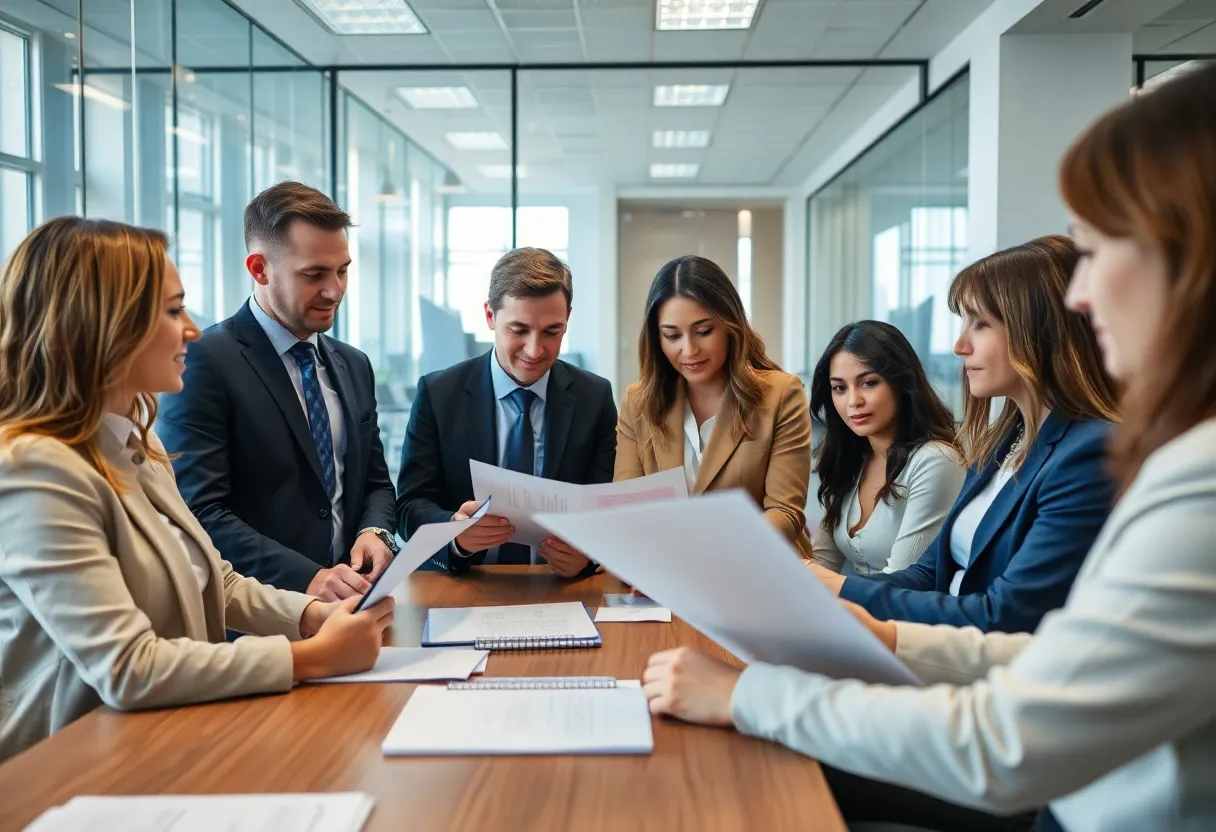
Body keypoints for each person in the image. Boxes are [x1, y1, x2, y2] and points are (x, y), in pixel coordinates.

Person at [643, 63, 1216, 832]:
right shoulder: (1030, 443)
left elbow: (1008, 732)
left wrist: (749, 694)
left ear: (1189, 255)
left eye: (1100, 247)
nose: (1083, 295)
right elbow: (1059, 658)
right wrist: (883, 632)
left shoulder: (1190, 478)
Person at [0, 217, 394, 763]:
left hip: (165, 739)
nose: (190, 329)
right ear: (101, 324)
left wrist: (308, 616)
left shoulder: (136, 444)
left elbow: (215, 578)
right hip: (71, 764)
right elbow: (128, 668)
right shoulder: (34, 469)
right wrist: (308, 657)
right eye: (171, 310)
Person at [808, 236, 1118, 633]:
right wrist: (826, 587)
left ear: (1039, 330)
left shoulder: (1088, 453)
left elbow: (1005, 614)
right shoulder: (1002, 443)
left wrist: (831, 590)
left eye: (980, 324)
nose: (959, 346)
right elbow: (928, 573)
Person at [158, 182, 398, 602]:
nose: (335, 290)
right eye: (313, 275)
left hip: (356, 606)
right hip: (256, 621)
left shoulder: (353, 364)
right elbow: (199, 511)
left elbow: (376, 482)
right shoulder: (204, 361)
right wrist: (308, 577)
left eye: (342, 270)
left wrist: (374, 532)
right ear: (259, 269)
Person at [395, 247, 616, 577]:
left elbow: (607, 509)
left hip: (557, 589)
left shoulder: (594, 397)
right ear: (489, 316)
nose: (534, 350)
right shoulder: (440, 394)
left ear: (568, 319)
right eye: (518, 330)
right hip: (463, 586)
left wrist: (589, 559)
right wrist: (455, 532)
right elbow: (410, 506)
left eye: (552, 332)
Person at [616, 256, 813, 556]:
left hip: (760, 567)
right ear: (657, 339)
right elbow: (625, 510)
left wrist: (709, 554)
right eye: (672, 336)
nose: (689, 350)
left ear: (729, 325)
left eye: (704, 331)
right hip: (667, 572)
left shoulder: (781, 394)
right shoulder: (637, 402)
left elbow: (785, 514)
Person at [809, 320, 965, 576]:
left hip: (904, 612)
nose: (853, 401)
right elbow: (823, 564)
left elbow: (902, 579)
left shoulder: (935, 461)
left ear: (901, 383)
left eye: (868, 383)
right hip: (853, 609)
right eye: (839, 388)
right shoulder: (848, 460)